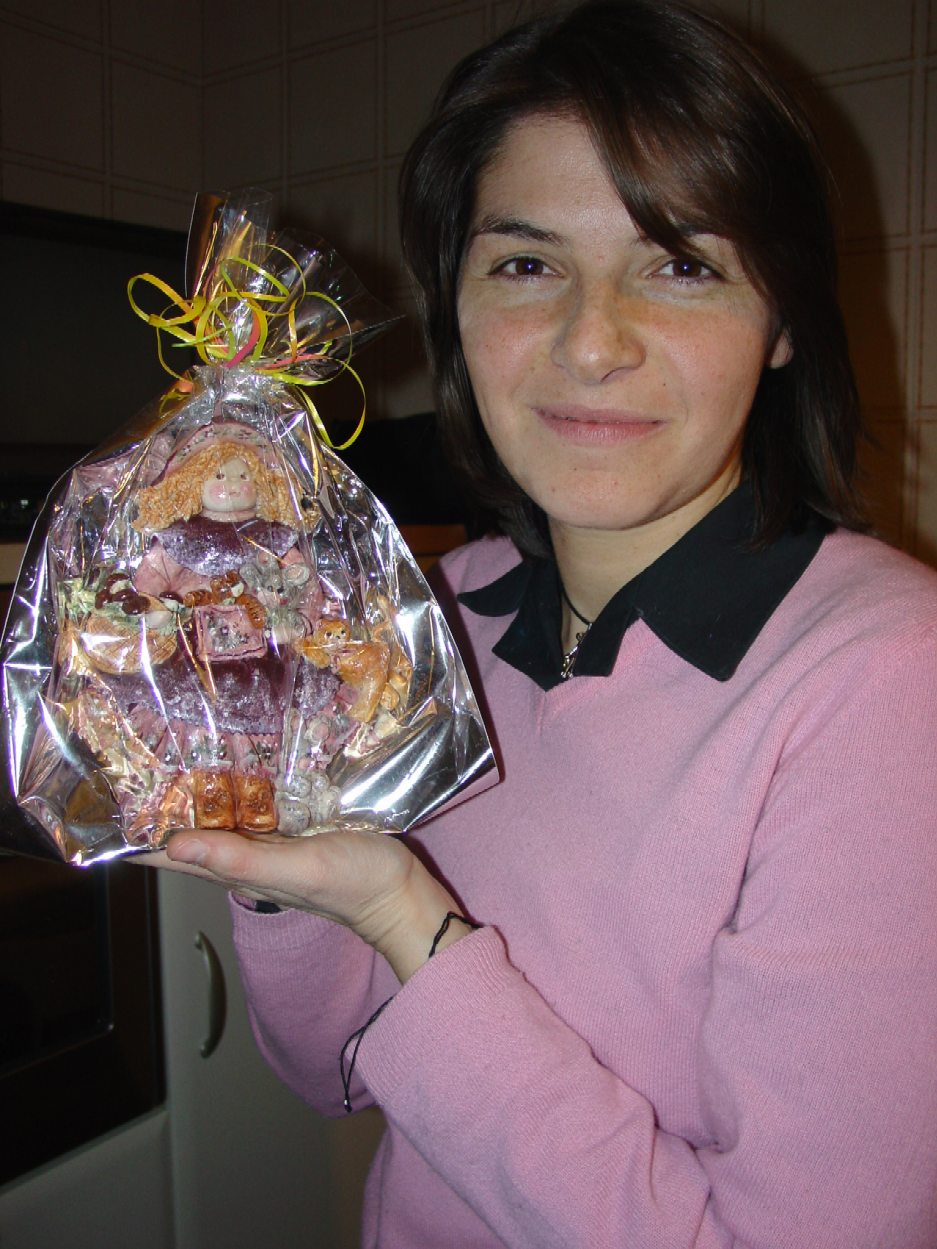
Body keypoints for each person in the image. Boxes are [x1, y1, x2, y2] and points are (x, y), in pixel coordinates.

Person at [151, 2, 937, 1245]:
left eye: (680, 263)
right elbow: (332, 1069)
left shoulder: (887, 682)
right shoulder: (422, 624)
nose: (591, 340)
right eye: (526, 264)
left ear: (783, 320)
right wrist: (272, 854)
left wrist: (409, 921)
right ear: (456, 304)